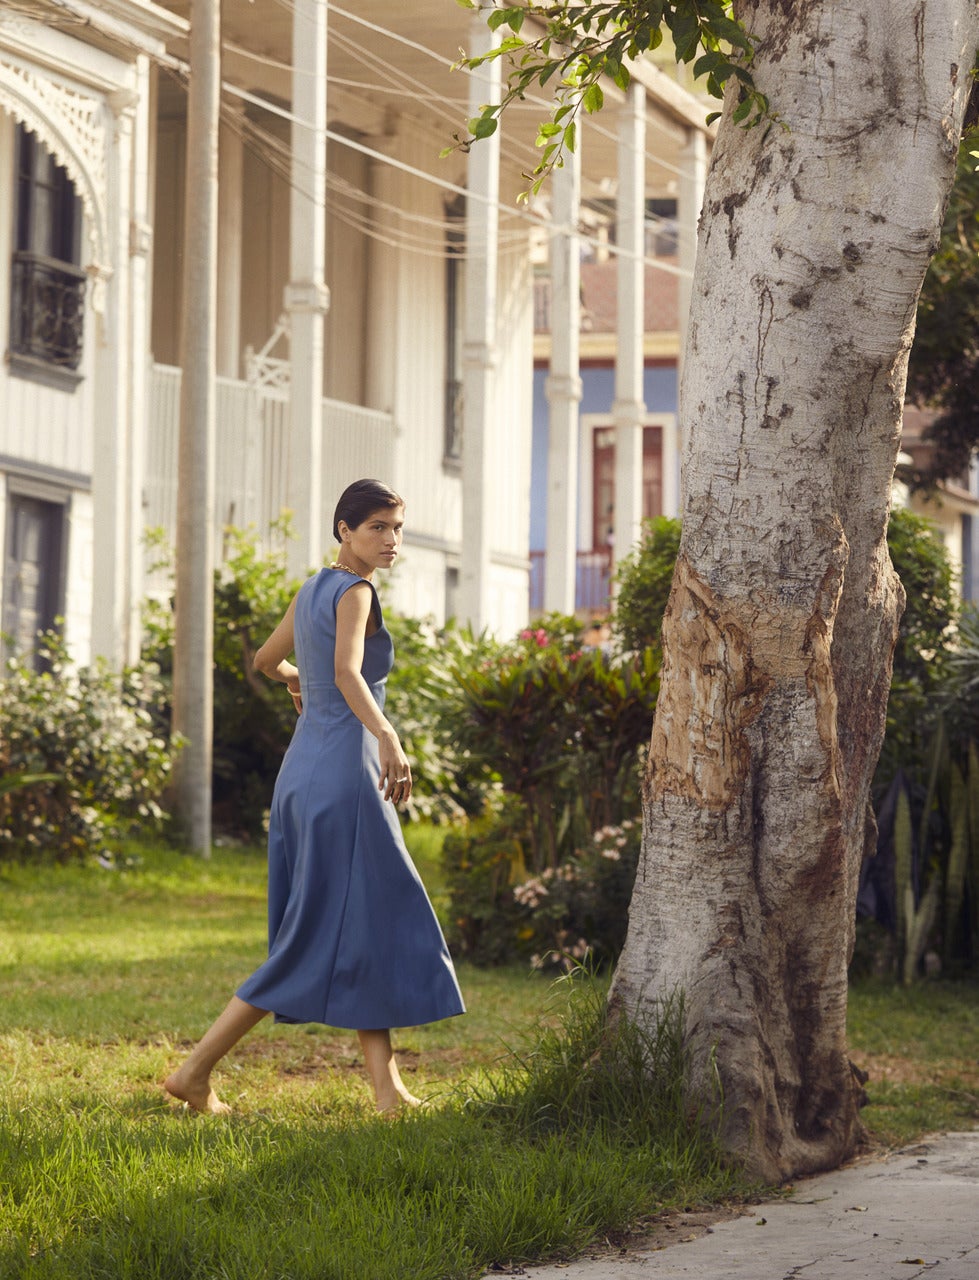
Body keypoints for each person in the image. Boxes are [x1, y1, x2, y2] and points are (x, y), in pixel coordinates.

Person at [164, 479, 465, 1115]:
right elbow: (349, 672)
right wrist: (387, 735)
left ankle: (387, 1089)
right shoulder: (355, 591)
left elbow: (267, 661)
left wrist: (300, 680)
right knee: (312, 937)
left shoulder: (313, 589)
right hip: (347, 779)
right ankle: (193, 1073)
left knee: (368, 921)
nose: (391, 540)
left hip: (303, 775)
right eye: (378, 527)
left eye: (397, 528)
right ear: (345, 531)